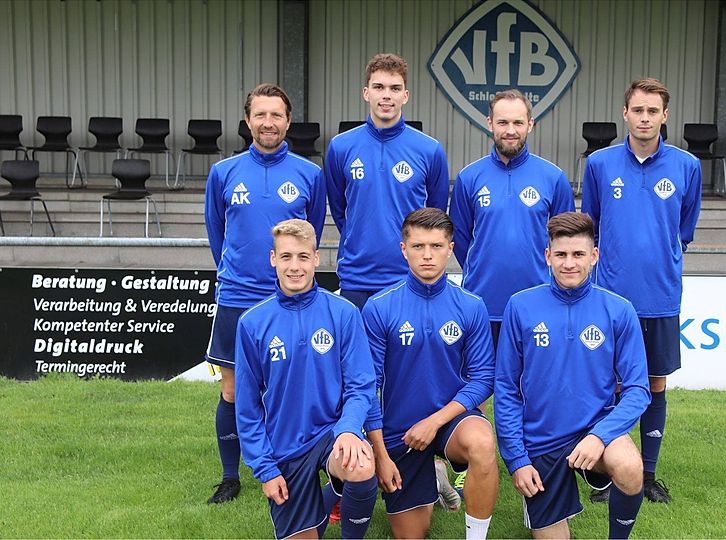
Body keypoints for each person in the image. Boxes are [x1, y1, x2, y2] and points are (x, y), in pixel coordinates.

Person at [203, 83, 326, 504]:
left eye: (276, 115)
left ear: (288, 121)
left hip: (290, 299)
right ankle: (231, 475)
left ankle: (295, 463)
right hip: (238, 297)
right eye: (260, 114)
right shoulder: (224, 173)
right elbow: (217, 233)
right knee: (234, 391)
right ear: (248, 120)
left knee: (294, 384)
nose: (268, 122)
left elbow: (311, 235)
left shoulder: (310, 174)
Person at [581, 77, 702, 504]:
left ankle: (647, 474)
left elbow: (683, 230)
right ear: (625, 113)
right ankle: (607, 471)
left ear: (664, 116)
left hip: (660, 297)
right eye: (638, 110)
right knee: (608, 385)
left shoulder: (687, 166)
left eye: (653, 111)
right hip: (610, 299)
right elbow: (589, 228)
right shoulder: (599, 164)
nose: (645, 118)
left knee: (654, 384)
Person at [495, 212, 651, 539]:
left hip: (594, 431)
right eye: (562, 254)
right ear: (547, 256)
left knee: (629, 465)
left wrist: (600, 435)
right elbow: (507, 389)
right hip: (541, 441)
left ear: (594, 256)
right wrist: (517, 460)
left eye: (579, 254)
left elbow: (638, 390)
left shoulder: (619, 309)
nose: (569, 263)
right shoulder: (520, 306)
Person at [234, 219, 378, 539]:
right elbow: (247, 409)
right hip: (284, 447)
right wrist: (266, 469)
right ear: (273, 259)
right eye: (286, 257)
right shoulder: (253, 323)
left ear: (316, 258)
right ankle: (323, 501)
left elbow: (361, 384)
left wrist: (349, 429)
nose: (295, 266)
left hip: (330, 432)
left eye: (303, 257)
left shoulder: (343, 313)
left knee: (361, 463)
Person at [362, 208, 498, 539]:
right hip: (401, 432)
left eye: (436, 246)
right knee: (412, 534)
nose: (427, 255)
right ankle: (432, 479)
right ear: (403, 249)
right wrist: (380, 454)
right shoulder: (380, 307)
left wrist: (435, 421)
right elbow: (367, 387)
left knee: (482, 441)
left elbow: (483, 379)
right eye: (419, 246)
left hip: (451, 421)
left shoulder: (471, 305)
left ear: (450, 249)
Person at [449, 89, 575, 350]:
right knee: (482, 383)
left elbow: (566, 240)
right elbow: (459, 238)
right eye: (503, 122)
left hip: (539, 303)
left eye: (518, 122)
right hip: (481, 302)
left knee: (535, 384)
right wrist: (482, 268)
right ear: (489, 123)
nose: (510, 130)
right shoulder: (469, 177)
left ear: (530, 124)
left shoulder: (553, 177)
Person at [325, 53, 450, 310]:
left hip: (408, 277)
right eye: (379, 87)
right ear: (366, 92)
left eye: (395, 88)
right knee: (357, 351)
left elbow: (436, 215)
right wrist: (356, 234)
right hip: (356, 278)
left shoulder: (429, 150)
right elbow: (339, 209)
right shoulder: (341, 147)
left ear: (405, 95)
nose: (386, 95)